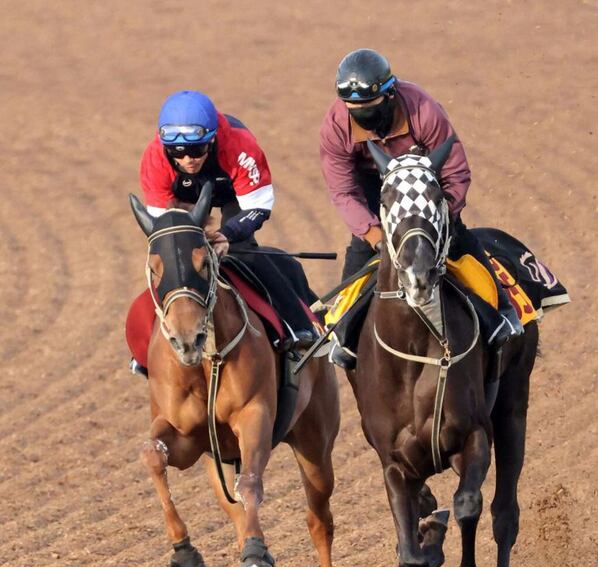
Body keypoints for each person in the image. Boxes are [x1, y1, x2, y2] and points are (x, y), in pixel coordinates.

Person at [319, 49, 524, 366]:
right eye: (355, 110)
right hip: (376, 192)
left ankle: (502, 311)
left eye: (370, 109)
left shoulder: (423, 109)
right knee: (354, 275)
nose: (364, 118)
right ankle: (344, 332)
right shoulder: (335, 126)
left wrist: (439, 220)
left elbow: (455, 173)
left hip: (427, 188)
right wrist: (374, 236)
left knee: (460, 242)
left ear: (390, 95)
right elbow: (343, 191)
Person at [139, 89, 317, 350]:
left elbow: (258, 205)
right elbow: (163, 226)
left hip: (235, 194)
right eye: (177, 152)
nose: (188, 160)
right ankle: (145, 350)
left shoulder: (239, 146)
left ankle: (296, 326)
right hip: (183, 199)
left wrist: (229, 234)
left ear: (211, 141)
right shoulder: (154, 158)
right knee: (171, 265)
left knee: (242, 252)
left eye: (197, 150)